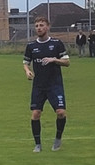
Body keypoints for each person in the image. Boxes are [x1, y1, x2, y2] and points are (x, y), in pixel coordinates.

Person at [23, 16, 69, 152]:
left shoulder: (57, 43)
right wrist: (27, 71)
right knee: (35, 114)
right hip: (39, 86)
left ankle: (58, 139)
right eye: (37, 26)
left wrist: (54, 60)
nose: (39, 28)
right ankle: (37, 145)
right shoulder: (31, 46)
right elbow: (25, 63)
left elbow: (67, 62)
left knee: (61, 112)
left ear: (47, 27)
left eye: (42, 25)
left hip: (55, 85)